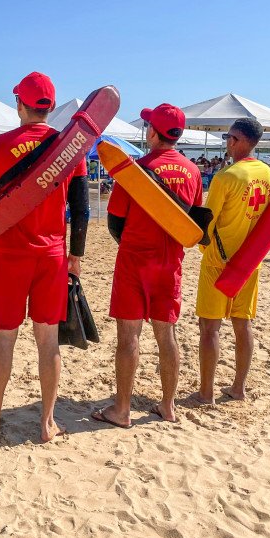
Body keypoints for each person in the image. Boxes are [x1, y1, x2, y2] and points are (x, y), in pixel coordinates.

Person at [0, 72, 89, 443]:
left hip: (10, 257)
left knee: (4, 339)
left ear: (19, 104)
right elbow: (81, 210)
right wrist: (75, 256)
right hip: (52, 257)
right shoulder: (71, 148)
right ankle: (47, 423)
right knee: (47, 341)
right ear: (50, 108)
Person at [94, 104, 202, 426]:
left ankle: (122, 409)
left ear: (152, 132)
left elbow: (115, 221)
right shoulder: (193, 172)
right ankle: (168, 406)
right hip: (170, 263)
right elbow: (193, 224)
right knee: (166, 335)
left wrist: (133, 243)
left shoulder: (134, 170)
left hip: (134, 261)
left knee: (128, 336)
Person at [193, 118, 270, 404]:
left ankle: (206, 392)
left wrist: (201, 247)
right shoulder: (268, 173)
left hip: (220, 259)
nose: (226, 142)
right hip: (251, 260)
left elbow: (207, 220)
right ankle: (238, 388)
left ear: (236, 140)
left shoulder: (226, 177)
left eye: (228, 137)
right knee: (243, 324)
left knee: (210, 328)